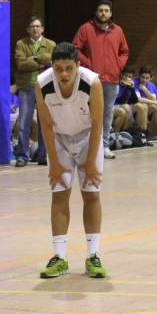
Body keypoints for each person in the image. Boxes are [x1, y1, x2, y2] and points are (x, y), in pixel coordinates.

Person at [36, 43, 106, 279]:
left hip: (88, 137)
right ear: (52, 67)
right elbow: (46, 125)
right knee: (59, 194)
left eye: (68, 68)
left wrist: (92, 162)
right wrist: (54, 162)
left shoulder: (92, 82)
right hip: (59, 139)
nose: (63, 74)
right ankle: (59, 258)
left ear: (78, 66)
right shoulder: (42, 83)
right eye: (58, 68)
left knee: (91, 194)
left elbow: (97, 123)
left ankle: (93, 256)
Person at [72, 0, 129, 159]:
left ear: (111, 13)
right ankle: (86, 146)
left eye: (106, 11)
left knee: (107, 114)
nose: (103, 13)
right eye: (100, 10)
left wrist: (118, 65)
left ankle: (104, 147)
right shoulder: (86, 29)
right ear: (96, 12)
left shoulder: (118, 31)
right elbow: (75, 49)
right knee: (88, 113)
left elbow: (124, 51)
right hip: (91, 80)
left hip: (111, 80)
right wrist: (88, 65)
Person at [14, 17, 55, 167]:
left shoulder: (51, 44)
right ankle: (22, 157)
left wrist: (36, 57)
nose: (35, 29)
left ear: (42, 29)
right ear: (28, 29)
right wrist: (41, 64)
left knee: (44, 123)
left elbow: (53, 60)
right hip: (26, 88)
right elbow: (21, 63)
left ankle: (43, 157)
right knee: (24, 124)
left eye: (38, 26)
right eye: (32, 26)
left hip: (45, 88)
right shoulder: (21, 44)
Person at [112, 65, 146, 135]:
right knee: (126, 106)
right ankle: (124, 131)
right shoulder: (117, 84)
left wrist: (132, 88)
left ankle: (139, 133)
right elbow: (122, 101)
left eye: (130, 77)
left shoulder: (129, 85)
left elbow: (135, 101)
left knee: (139, 106)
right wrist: (128, 87)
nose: (127, 78)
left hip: (124, 108)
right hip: (114, 107)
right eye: (125, 75)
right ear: (121, 75)